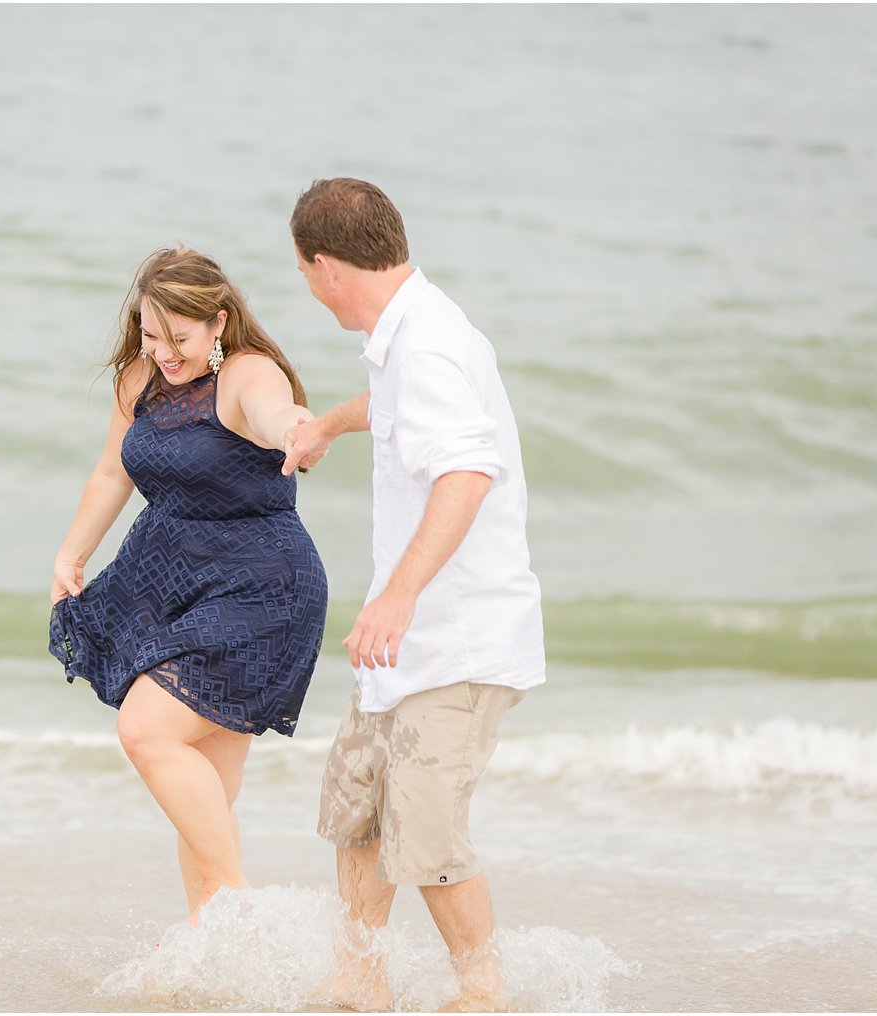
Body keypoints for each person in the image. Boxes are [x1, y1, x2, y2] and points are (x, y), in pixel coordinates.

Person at [281, 179, 545, 1012]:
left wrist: (394, 598)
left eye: (304, 274)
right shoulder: (407, 337)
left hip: (453, 641)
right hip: (406, 645)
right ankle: (360, 974)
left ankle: (483, 991)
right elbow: (399, 412)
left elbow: (466, 473)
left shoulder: (427, 342)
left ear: (324, 268)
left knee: (424, 831)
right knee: (356, 804)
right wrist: (326, 423)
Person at [48, 246, 329, 923]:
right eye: (151, 333)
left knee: (148, 731)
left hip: (262, 587)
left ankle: (239, 906)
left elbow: (272, 411)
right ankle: (214, 940)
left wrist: (295, 427)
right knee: (205, 788)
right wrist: (70, 555)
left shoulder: (246, 374)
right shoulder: (138, 381)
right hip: (174, 582)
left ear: (219, 325)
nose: (164, 351)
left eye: (180, 338)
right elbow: (113, 474)